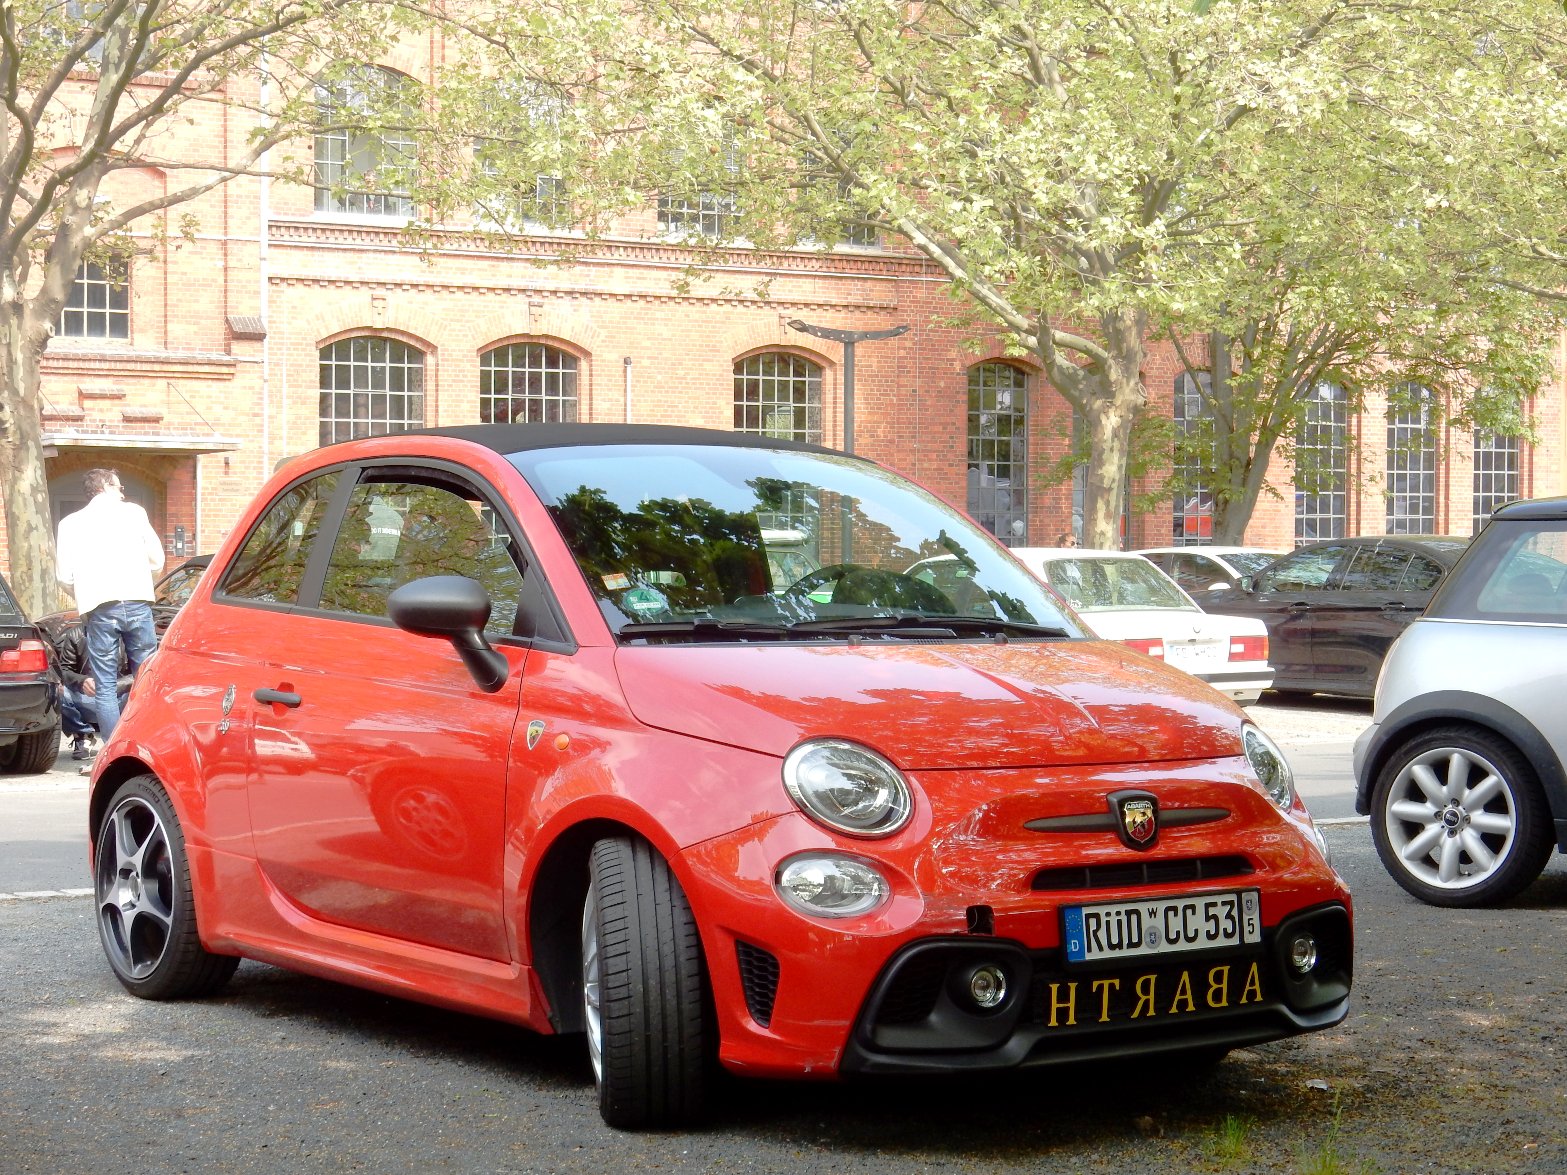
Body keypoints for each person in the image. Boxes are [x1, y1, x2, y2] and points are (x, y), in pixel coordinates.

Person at [55, 468, 164, 739]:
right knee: (147, 677)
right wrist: (142, 583)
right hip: (138, 600)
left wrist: (84, 594)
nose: (122, 492)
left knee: (104, 686)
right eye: (118, 487)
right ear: (105, 486)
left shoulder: (70, 523)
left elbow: (64, 576)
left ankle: (114, 751)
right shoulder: (135, 513)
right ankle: (145, 740)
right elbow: (157, 561)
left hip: (100, 605)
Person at [47, 621, 131, 760]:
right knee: (56, 692)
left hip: (119, 697)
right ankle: (82, 735)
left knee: (140, 693)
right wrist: (82, 681)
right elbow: (64, 671)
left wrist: (114, 686)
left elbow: (140, 670)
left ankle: (125, 741)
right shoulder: (75, 634)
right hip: (87, 696)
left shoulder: (128, 635)